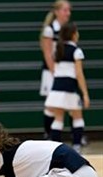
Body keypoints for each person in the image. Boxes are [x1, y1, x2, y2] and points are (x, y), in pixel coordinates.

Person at [45, 22, 89, 153]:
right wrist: (85, 94)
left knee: (58, 118)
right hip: (70, 89)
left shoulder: (57, 49)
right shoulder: (77, 51)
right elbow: (79, 74)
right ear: (74, 34)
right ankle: (76, 146)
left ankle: (54, 149)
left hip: (57, 89)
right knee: (77, 117)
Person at [40, 0, 71, 138]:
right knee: (51, 105)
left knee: (65, 104)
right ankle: (48, 134)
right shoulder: (50, 29)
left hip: (64, 71)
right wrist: (54, 71)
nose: (68, 13)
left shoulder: (69, 29)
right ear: (57, 12)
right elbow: (47, 52)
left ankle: (59, 135)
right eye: (65, 10)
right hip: (51, 72)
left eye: (69, 10)